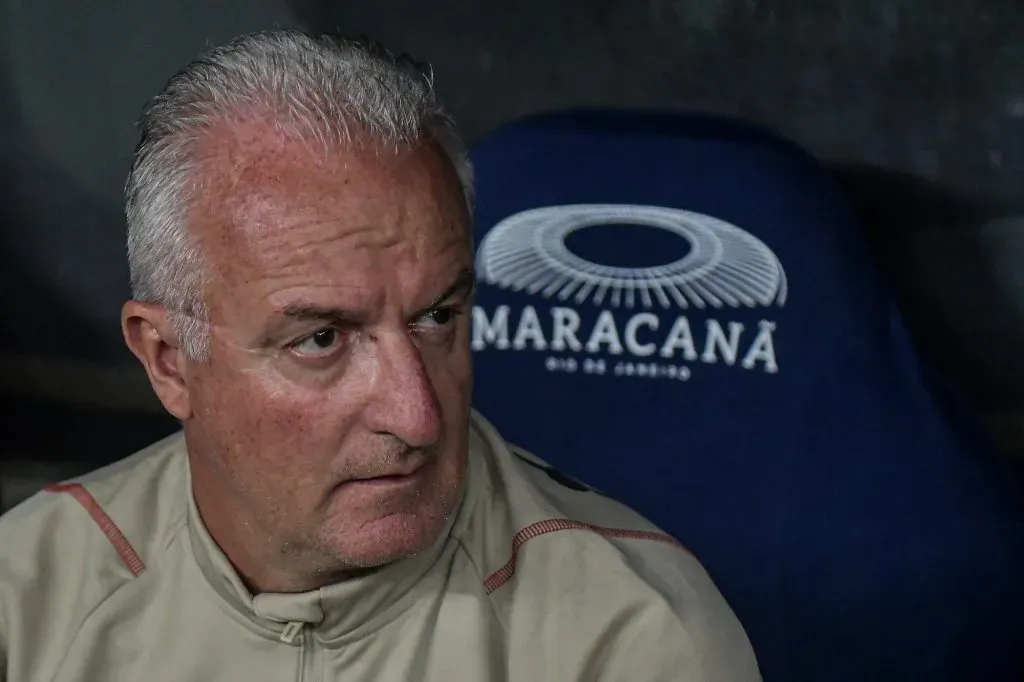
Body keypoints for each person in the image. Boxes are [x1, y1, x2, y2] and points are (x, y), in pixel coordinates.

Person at [0, 29, 761, 681]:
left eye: (438, 317)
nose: (418, 417)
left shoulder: (631, 639)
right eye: (321, 340)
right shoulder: (24, 601)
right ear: (169, 359)